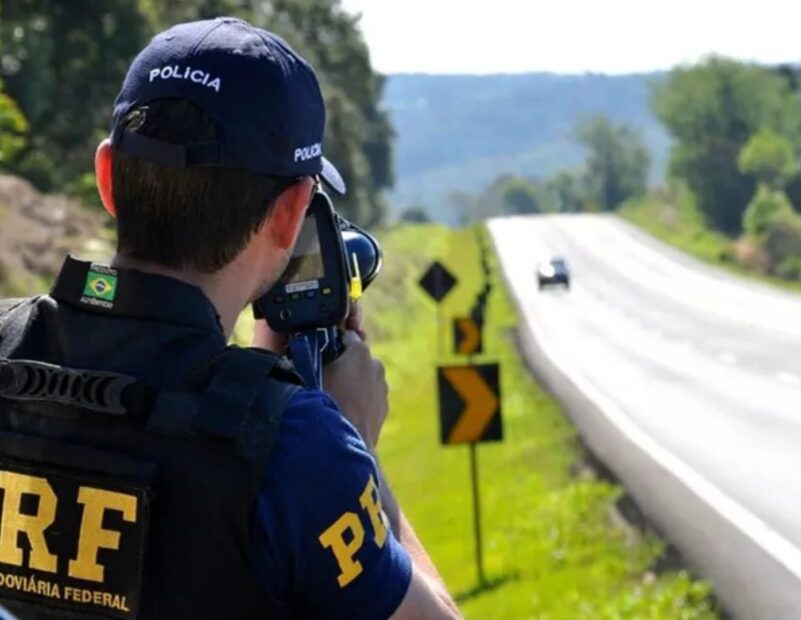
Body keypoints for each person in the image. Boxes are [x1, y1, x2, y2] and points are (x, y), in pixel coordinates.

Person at [0, 17, 460, 620]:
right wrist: (358, 455)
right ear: (293, 212)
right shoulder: (297, 448)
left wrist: (253, 379)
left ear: (108, 178)